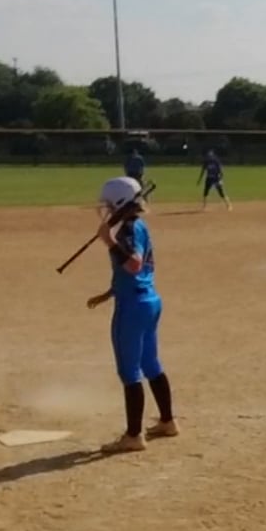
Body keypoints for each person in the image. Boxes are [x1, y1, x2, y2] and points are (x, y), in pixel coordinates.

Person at [87, 177, 177, 454]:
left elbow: (134, 264)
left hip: (132, 308)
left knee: (129, 371)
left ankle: (133, 436)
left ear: (119, 203)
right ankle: (167, 421)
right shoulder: (138, 225)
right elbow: (133, 273)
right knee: (151, 364)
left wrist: (108, 241)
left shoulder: (126, 230)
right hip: (148, 301)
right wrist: (109, 292)